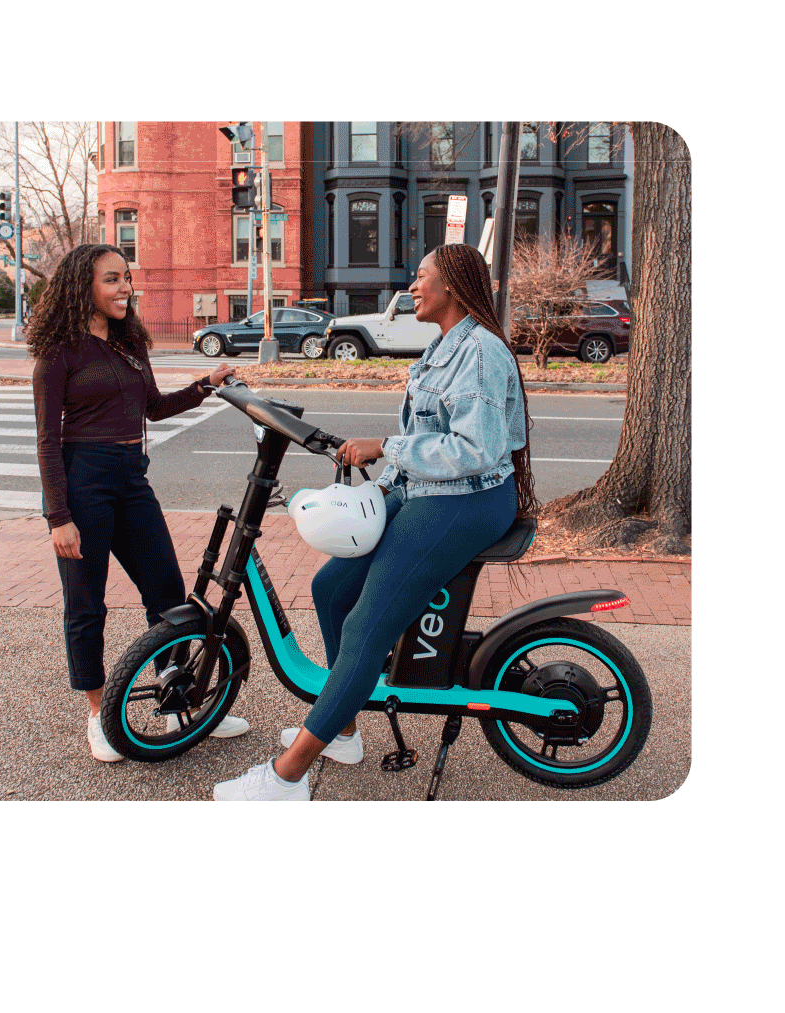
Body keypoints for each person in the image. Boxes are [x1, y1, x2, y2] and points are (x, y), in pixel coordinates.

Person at [214, 243, 537, 800]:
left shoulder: (480, 352)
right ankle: (341, 730)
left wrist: (385, 447)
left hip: (469, 500)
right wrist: (382, 485)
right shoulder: (444, 346)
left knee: (367, 627)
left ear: (452, 286)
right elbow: (424, 444)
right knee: (331, 588)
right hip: (430, 489)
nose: (412, 286)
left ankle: (286, 778)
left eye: (421, 276)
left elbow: (475, 451)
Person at [29, 243, 248, 762]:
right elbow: (47, 441)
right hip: (83, 482)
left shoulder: (129, 343)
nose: (125, 287)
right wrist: (58, 517)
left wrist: (204, 386)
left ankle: (178, 698)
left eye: (126, 277)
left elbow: (153, 407)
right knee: (87, 605)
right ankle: (98, 715)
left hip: (131, 479)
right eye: (112, 279)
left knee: (167, 594)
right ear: (82, 286)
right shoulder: (59, 352)